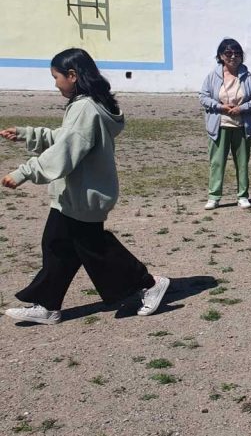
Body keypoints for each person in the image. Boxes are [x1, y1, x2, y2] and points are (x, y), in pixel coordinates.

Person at [1, 48, 170, 325]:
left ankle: (148, 285)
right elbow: (68, 137)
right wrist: (28, 134)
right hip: (75, 193)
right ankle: (47, 305)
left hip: (84, 194)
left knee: (95, 249)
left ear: (72, 75)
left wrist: (25, 172)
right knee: (57, 245)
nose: (55, 84)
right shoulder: (89, 104)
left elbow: (66, 150)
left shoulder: (85, 107)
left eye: (56, 77)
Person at [199, 38, 251, 210]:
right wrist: (220, 107)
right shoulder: (212, 76)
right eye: (228, 53)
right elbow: (203, 97)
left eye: (237, 53)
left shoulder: (248, 77)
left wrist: (242, 108)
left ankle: (243, 196)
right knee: (217, 163)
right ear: (221, 56)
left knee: (242, 163)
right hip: (219, 125)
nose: (233, 56)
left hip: (242, 126)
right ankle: (214, 196)